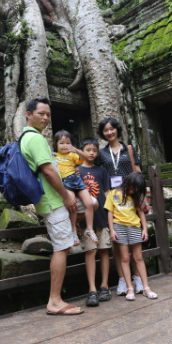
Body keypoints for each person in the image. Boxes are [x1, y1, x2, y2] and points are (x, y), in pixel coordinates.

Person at [20, 98, 84, 316]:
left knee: (63, 246)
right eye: (41, 113)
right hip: (52, 200)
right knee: (61, 248)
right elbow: (48, 171)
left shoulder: (27, 137)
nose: (46, 118)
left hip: (49, 200)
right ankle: (55, 301)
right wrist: (66, 196)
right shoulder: (35, 139)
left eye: (48, 114)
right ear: (29, 114)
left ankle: (55, 299)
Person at [96, 117, 145, 296]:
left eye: (111, 129)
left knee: (135, 241)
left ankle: (138, 278)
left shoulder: (129, 149)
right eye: (105, 130)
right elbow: (100, 175)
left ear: (117, 129)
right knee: (118, 244)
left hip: (131, 197)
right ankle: (123, 279)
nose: (109, 133)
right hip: (113, 199)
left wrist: (142, 195)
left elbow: (137, 170)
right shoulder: (101, 154)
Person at [105, 172, 157, 301]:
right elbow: (110, 213)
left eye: (136, 189)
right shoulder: (113, 193)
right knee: (124, 258)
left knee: (138, 257)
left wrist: (144, 229)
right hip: (119, 227)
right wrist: (112, 230)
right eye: (132, 187)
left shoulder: (136, 196)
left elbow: (141, 213)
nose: (133, 190)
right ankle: (130, 288)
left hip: (134, 226)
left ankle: (146, 287)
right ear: (127, 182)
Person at [77, 138, 112, 307]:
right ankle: (92, 289)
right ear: (81, 151)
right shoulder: (76, 170)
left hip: (102, 216)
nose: (91, 153)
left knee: (104, 251)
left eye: (94, 150)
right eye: (88, 149)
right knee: (90, 252)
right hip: (85, 220)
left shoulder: (102, 171)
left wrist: (111, 214)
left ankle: (104, 286)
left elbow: (107, 193)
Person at [53, 130, 98, 246]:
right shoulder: (54, 157)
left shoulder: (72, 155)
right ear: (56, 145)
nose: (65, 145)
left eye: (68, 143)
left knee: (89, 203)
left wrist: (75, 149)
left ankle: (89, 229)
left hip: (76, 181)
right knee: (73, 205)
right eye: (61, 143)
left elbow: (84, 157)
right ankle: (73, 231)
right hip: (66, 182)